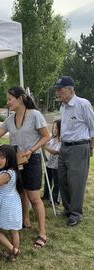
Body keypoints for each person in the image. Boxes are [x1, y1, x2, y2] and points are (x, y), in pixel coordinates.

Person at [0, 86, 50, 248]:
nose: (7, 102)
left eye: (10, 99)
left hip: (32, 159)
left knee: (34, 197)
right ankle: (25, 221)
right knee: (20, 192)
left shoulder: (35, 115)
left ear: (20, 99)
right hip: (16, 160)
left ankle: (42, 233)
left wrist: (31, 150)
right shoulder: (9, 119)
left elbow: (47, 136)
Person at [54, 76, 94, 226]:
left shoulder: (83, 104)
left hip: (79, 147)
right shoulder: (63, 106)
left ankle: (76, 213)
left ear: (70, 89)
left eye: (60, 89)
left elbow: (93, 127)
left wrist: (90, 147)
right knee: (62, 179)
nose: (57, 92)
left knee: (76, 182)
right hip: (64, 147)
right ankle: (68, 209)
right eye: (57, 89)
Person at [42, 119, 61, 204]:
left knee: (56, 183)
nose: (54, 130)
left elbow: (55, 152)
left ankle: (54, 198)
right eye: (53, 128)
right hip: (48, 164)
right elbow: (45, 147)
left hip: (56, 166)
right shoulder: (51, 139)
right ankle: (46, 195)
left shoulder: (61, 141)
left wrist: (44, 147)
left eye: (56, 128)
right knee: (47, 180)